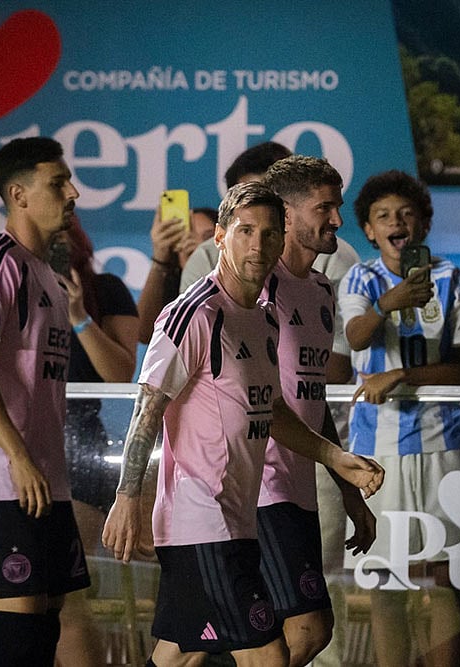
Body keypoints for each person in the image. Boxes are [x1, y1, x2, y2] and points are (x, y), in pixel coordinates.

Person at [101, 181, 383, 667]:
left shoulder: (264, 318)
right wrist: (127, 498)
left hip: (238, 518)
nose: (258, 245)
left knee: (181, 653)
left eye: (269, 234)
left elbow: (271, 411)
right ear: (220, 237)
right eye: (245, 231)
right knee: (269, 655)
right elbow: (147, 408)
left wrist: (337, 459)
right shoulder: (191, 313)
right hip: (199, 520)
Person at [0, 136, 90, 666]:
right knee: (18, 636)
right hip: (0, 477)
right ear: (19, 195)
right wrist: (18, 456)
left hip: (43, 478)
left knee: (42, 635)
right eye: (58, 182)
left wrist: (39, 464)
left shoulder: (46, 273)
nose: (72, 192)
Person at [339, 170, 460, 667]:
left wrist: (401, 374)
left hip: (445, 442)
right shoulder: (360, 278)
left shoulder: (453, 278)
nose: (396, 222)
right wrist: (388, 304)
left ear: (422, 224)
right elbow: (356, 337)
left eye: (405, 213)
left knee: (444, 576)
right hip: (378, 450)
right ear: (370, 231)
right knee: (385, 579)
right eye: (383, 216)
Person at [260, 155, 376, 666]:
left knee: (201, 645)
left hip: (299, 482)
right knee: (307, 628)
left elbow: (312, 399)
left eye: (338, 206)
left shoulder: (322, 289)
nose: (337, 220)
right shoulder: (255, 289)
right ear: (285, 215)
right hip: (255, 485)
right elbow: (257, 400)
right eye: (323, 208)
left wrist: (348, 492)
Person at [51, 217, 140, 665]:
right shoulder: (11, 286)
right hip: (20, 443)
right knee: (30, 599)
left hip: (80, 448)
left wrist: (78, 317)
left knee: (65, 590)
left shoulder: (106, 289)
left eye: (62, 239)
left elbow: (121, 374)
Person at [172, 142, 360, 295]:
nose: (262, 209)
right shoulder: (210, 290)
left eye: (267, 196)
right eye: (248, 199)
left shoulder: (324, 284)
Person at [137, 206, 217, 344]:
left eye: (208, 238)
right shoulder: (171, 291)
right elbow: (143, 335)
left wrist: (198, 265)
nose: (196, 245)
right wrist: (160, 259)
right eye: (185, 238)